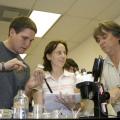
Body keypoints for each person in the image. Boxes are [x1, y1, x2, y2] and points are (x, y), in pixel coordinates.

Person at [0, 16, 43, 109]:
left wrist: (28, 88)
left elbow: (19, 106)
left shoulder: (25, 67)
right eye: (24, 38)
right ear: (12, 32)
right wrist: (3, 66)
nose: (27, 44)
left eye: (31, 40)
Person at [32, 40, 81, 117]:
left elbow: (82, 106)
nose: (63, 56)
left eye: (65, 53)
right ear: (49, 56)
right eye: (59, 53)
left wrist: (73, 106)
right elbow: (38, 109)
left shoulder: (73, 77)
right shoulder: (41, 78)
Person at [93, 21, 120, 115]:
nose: (101, 42)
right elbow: (106, 95)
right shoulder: (103, 67)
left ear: (118, 36)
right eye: (98, 40)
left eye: (104, 37)